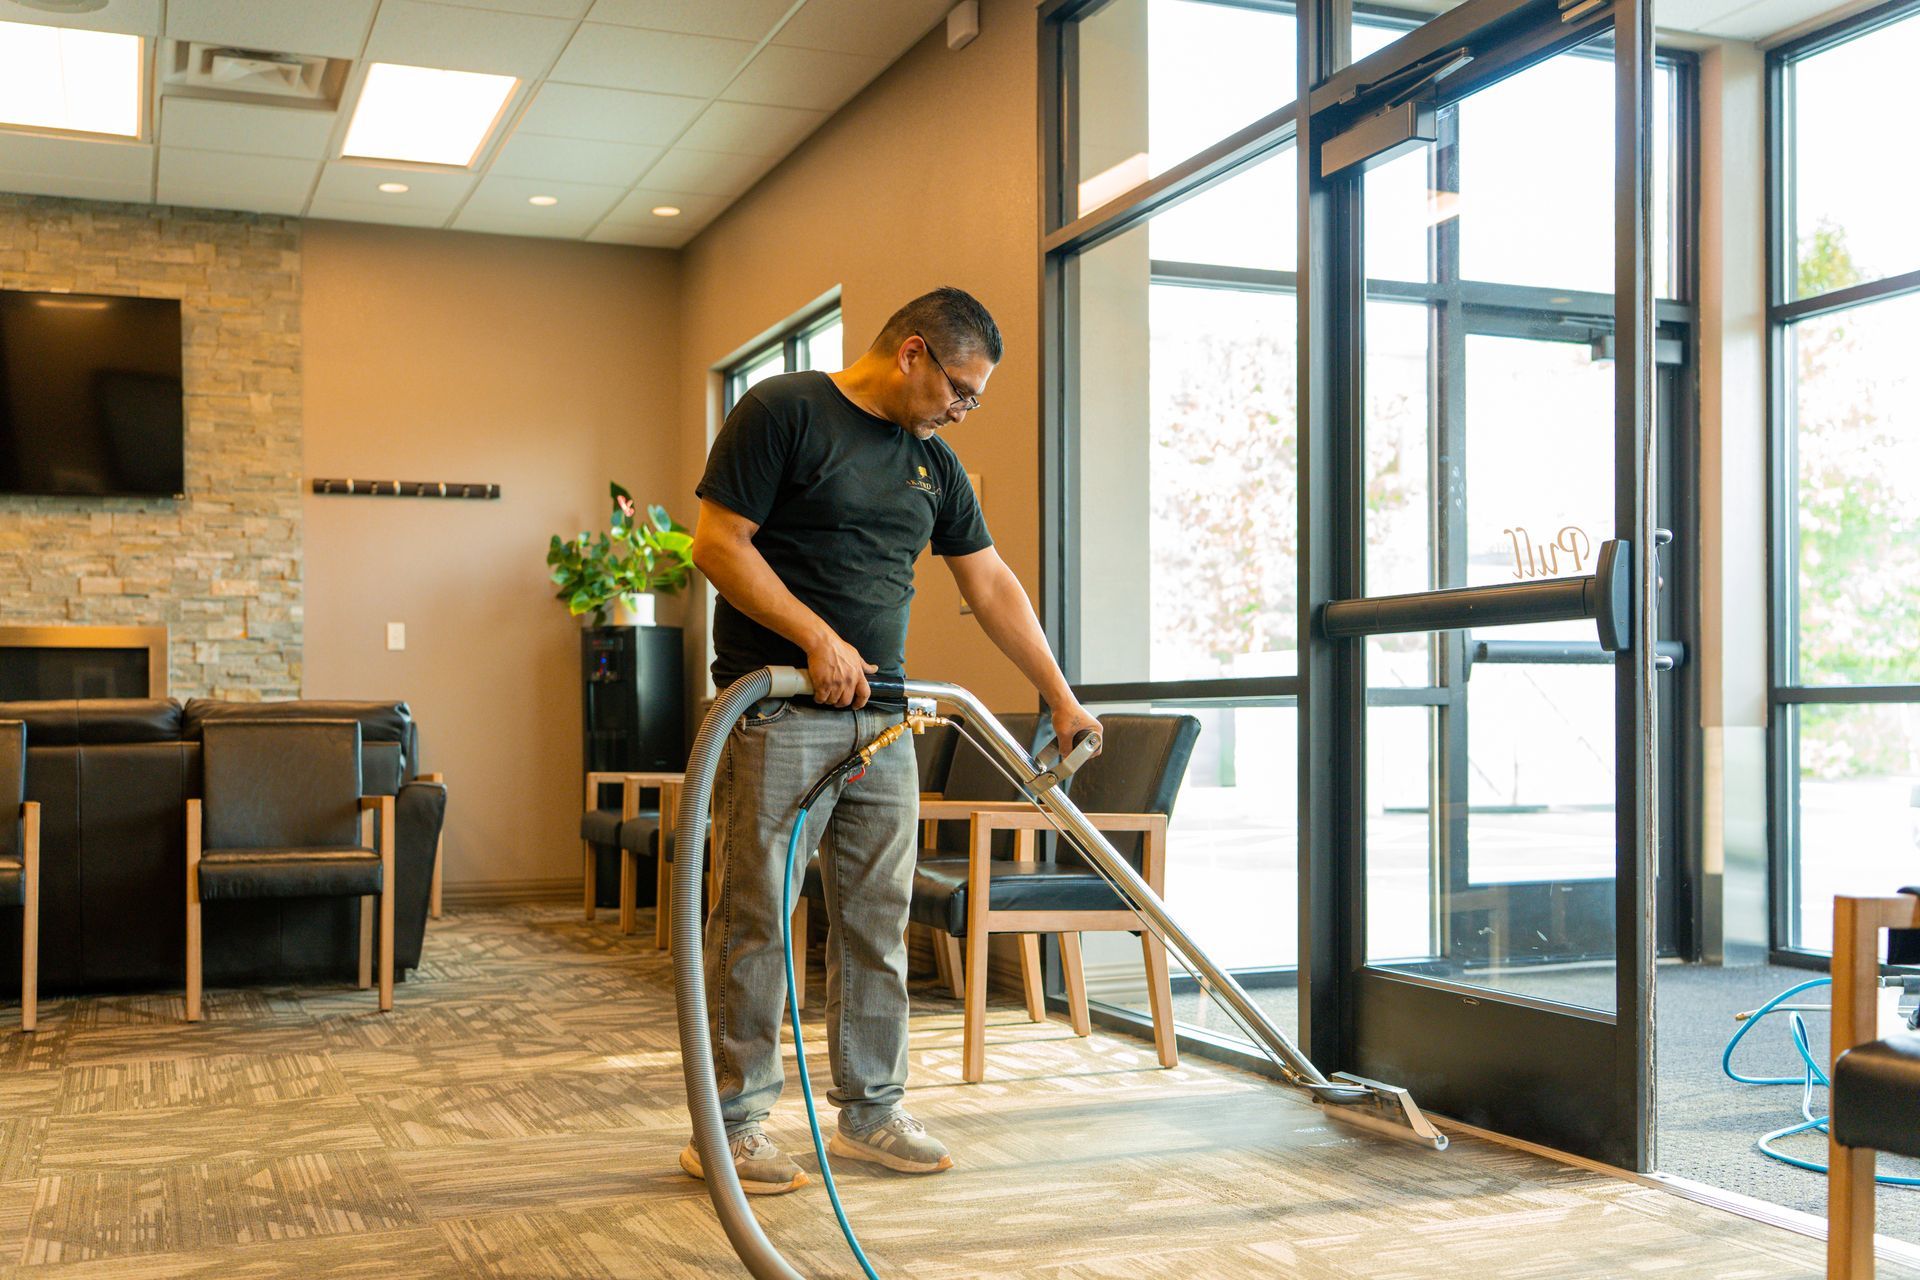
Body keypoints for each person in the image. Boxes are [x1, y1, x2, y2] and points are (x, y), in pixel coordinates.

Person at [682, 286, 1101, 1195]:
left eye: (974, 399)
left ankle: (871, 1109)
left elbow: (989, 584)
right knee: (756, 918)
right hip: (778, 709)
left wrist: (1058, 695)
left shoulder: (931, 463)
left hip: (885, 719)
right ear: (912, 353)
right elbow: (716, 544)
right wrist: (815, 638)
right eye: (961, 388)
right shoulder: (784, 412)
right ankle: (735, 1123)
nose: (963, 409)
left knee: (877, 919)